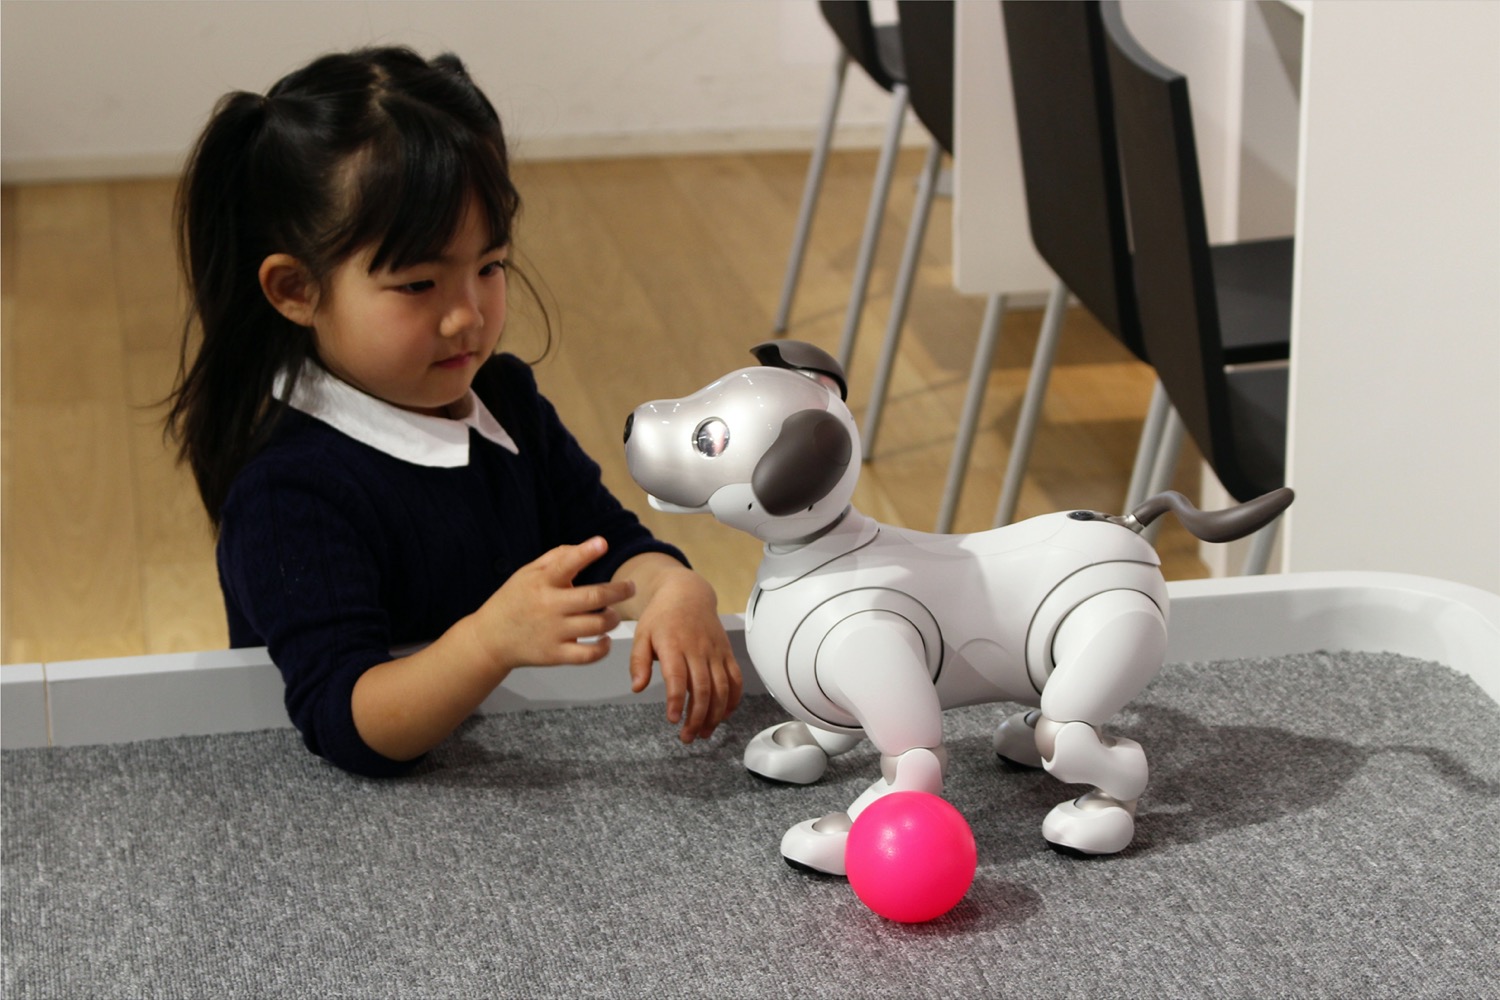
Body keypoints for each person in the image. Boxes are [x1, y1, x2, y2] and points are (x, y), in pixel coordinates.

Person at [165, 46, 742, 778]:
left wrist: (674, 588)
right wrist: (490, 641)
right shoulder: (288, 492)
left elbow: (611, 546)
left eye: (489, 267)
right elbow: (346, 721)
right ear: (295, 290)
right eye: (417, 284)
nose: (466, 315)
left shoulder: (505, 399)